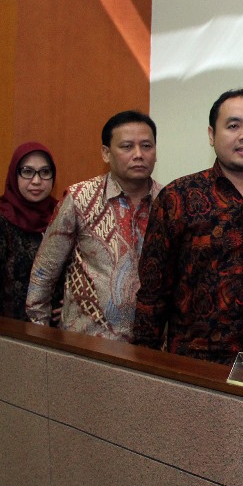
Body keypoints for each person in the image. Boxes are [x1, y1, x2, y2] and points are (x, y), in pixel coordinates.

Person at [133, 89, 243, 364]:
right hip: (194, 365)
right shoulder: (178, 197)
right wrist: (144, 366)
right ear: (211, 135)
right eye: (233, 125)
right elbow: (153, 295)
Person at [26, 110, 162, 340]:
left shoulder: (168, 201)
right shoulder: (79, 198)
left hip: (150, 345)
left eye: (146, 146)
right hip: (86, 344)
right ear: (106, 153)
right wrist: (39, 337)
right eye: (127, 146)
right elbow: (44, 273)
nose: (139, 154)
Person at [0, 142, 59, 319]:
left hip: (59, 329)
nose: (36, 181)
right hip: (12, 330)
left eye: (45, 172)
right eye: (27, 171)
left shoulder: (62, 217)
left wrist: (72, 307)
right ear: (14, 175)